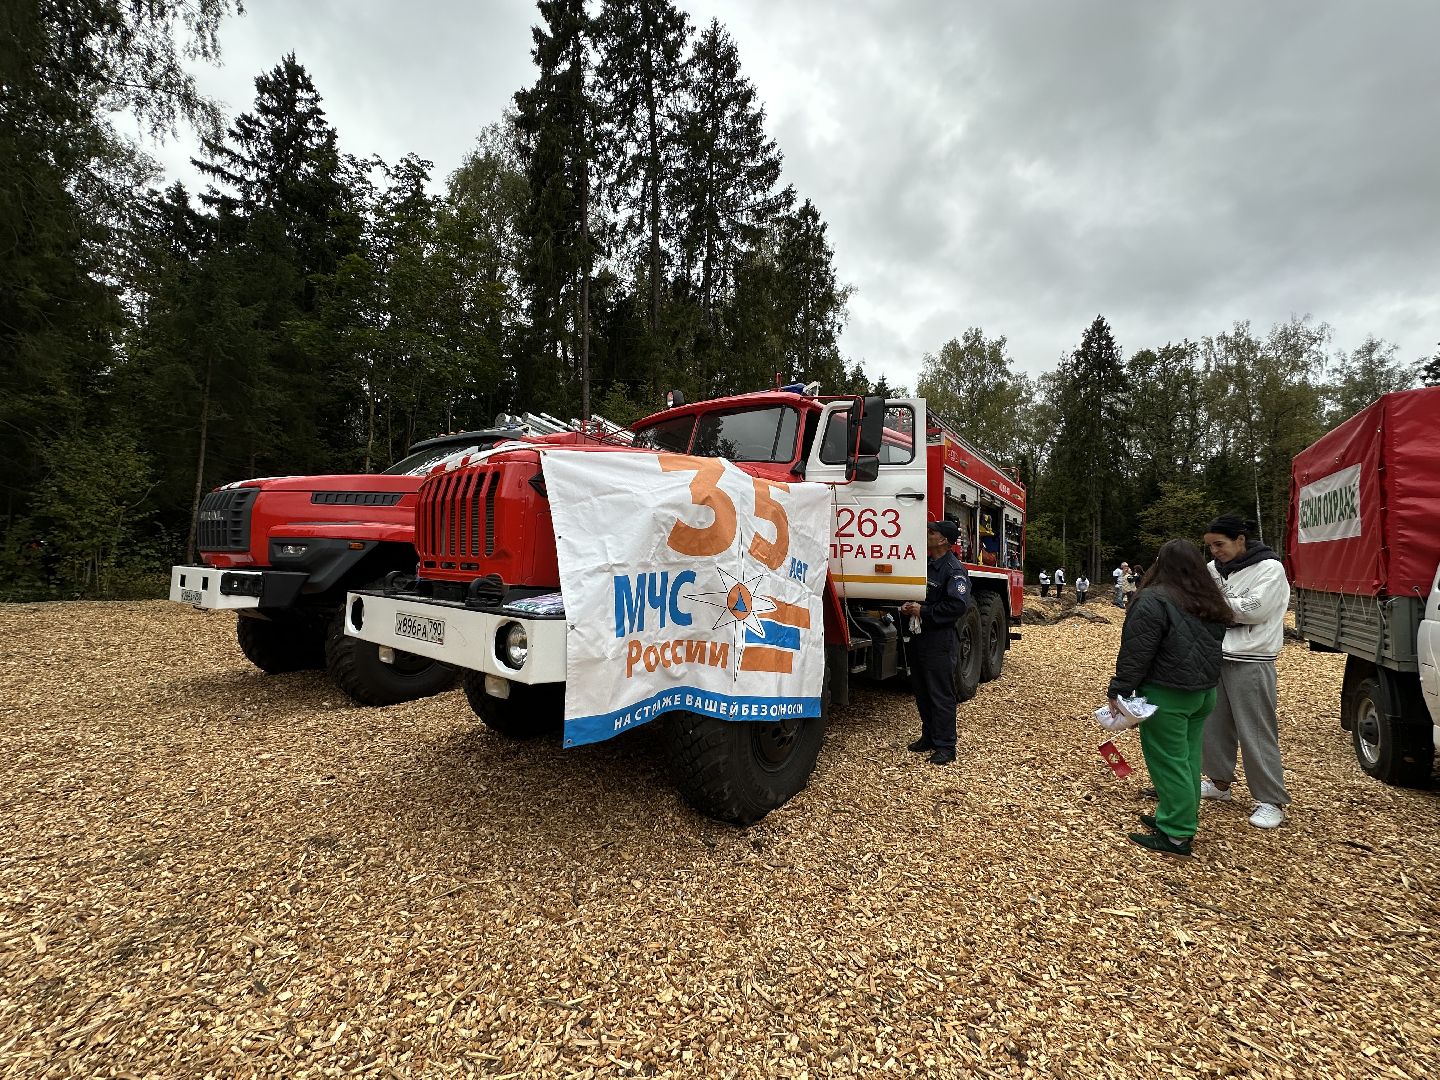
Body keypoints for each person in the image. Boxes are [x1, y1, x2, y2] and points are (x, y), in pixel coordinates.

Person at [1107, 539, 1233, 856]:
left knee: (1168, 763)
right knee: (1188, 761)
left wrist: (1120, 689)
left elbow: (1137, 652)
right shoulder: (1208, 601)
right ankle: (1176, 817)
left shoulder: (1153, 600)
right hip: (1203, 694)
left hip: (1168, 694)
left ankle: (1176, 834)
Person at [1201, 515, 1292, 829]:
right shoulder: (1213, 570)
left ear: (1240, 540)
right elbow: (1206, 602)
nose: (1215, 551)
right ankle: (1219, 782)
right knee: (1213, 725)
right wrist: (1224, 607)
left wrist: (1217, 607)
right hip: (1216, 654)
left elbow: (1255, 610)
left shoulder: (1270, 568)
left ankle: (1270, 799)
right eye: (1210, 546)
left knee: (1255, 730)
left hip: (1252, 658)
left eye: (1220, 544)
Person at [900, 519, 971, 766]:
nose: (927, 535)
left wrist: (924, 611)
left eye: (932, 532)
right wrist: (908, 606)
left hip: (939, 640)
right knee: (922, 691)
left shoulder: (953, 570)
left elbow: (957, 605)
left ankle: (946, 747)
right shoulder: (927, 564)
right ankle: (929, 737)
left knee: (940, 693)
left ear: (943, 540)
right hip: (920, 637)